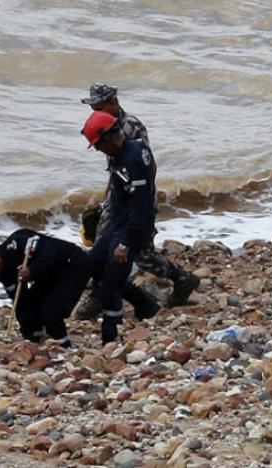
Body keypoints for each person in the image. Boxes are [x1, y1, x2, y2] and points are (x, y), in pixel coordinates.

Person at [79, 83, 199, 313]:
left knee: (139, 251)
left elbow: (147, 164)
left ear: (113, 102)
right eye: (93, 108)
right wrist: (108, 197)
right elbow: (114, 169)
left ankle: (180, 278)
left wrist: (141, 198)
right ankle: (99, 294)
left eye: (100, 107)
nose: (95, 112)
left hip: (137, 198)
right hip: (118, 198)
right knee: (105, 244)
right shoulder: (102, 128)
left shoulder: (131, 126)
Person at [81, 111, 159, 343]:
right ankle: (144, 304)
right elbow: (120, 195)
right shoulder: (118, 155)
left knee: (111, 282)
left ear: (112, 136)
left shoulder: (134, 157)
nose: (97, 150)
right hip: (117, 222)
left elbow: (141, 205)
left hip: (133, 227)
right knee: (94, 264)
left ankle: (110, 335)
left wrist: (125, 243)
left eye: (98, 145)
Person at [0, 229, 91, 349]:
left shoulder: (19, 243)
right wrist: (29, 333)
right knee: (31, 307)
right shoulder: (2, 273)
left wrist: (32, 270)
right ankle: (38, 339)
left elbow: (50, 252)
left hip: (73, 265)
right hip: (50, 275)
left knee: (51, 312)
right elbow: (20, 301)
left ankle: (65, 348)